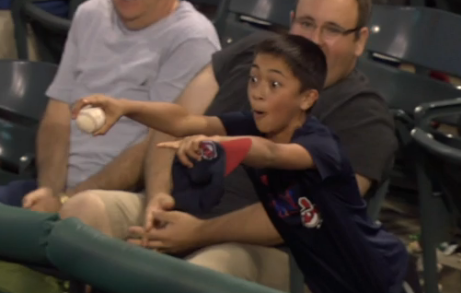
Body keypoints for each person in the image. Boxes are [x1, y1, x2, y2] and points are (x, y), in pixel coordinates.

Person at [60, 0, 404, 290]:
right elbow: (179, 121)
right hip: (181, 209)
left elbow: (302, 214)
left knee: (202, 274)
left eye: (331, 30)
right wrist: (158, 199)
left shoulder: (365, 117)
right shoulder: (257, 58)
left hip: (274, 250)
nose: (314, 40)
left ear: (359, 41)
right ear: (291, 22)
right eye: (307, 24)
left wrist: (198, 232)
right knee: (81, 213)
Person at [0, 0, 220, 210]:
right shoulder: (91, 13)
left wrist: (67, 202)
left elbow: (158, 145)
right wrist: (49, 191)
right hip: (52, 190)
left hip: (115, 204)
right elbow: (58, 113)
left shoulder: (193, 38)